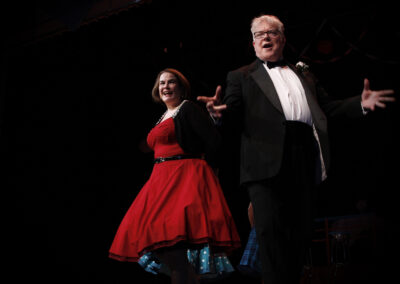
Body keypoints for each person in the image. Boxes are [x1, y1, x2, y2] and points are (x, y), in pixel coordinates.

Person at [197, 14, 395, 284]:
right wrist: (217, 115)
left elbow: (328, 109)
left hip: (303, 156)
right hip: (264, 162)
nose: (266, 37)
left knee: (300, 235)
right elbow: (231, 113)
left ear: (283, 39)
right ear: (253, 43)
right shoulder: (241, 76)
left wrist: (359, 104)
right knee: (270, 236)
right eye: (260, 34)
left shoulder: (304, 74)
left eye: (272, 32)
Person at [109, 68, 241, 284]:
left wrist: (207, 174)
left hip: (183, 179)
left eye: (171, 82)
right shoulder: (163, 116)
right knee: (167, 251)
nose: (166, 87)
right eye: (162, 83)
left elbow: (213, 140)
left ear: (181, 88)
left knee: (175, 250)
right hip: (160, 181)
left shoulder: (187, 108)